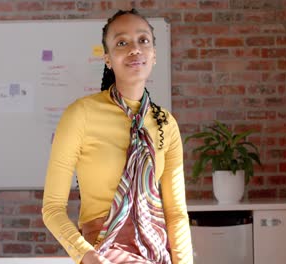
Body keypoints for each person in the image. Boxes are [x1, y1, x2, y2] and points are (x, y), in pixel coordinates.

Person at [42, 9, 193, 264]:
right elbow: (52, 208)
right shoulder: (80, 114)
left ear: (154, 55)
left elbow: (176, 213)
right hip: (102, 248)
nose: (135, 49)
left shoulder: (166, 123)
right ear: (108, 59)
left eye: (143, 40)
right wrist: (87, 256)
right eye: (122, 43)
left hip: (155, 250)